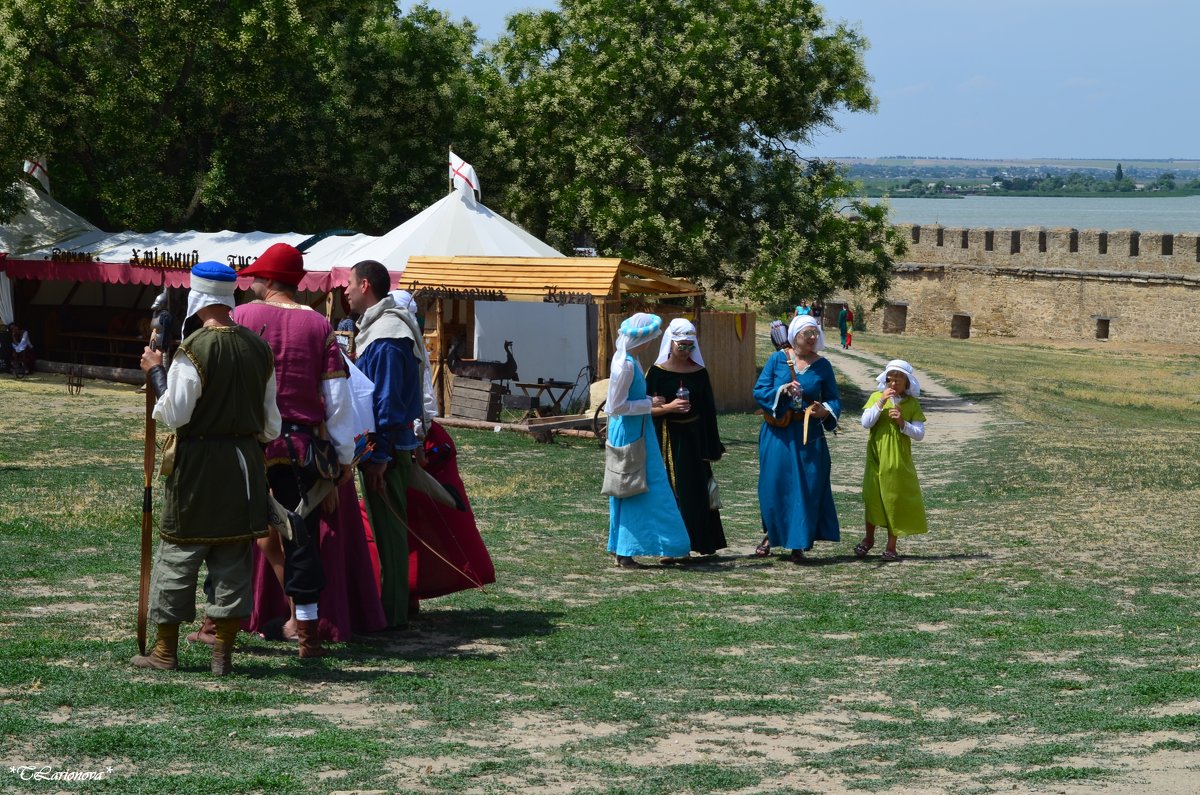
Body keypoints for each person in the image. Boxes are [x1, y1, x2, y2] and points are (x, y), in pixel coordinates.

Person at [232, 242, 384, 655]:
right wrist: (341, 458)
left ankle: (219, 623)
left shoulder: (239, 318)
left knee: (234, 533)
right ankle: (307, 634)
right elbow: (336, 400)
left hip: (247, 447)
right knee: (301, 540)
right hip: (301, 449)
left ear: (266, 280)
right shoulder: (318, 326)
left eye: (255, 278)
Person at [131, 261, 281, 676]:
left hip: (198, 466)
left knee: (179, 553)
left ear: (197, 299)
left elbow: (175, 414)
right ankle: (222, 655)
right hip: (245, 465)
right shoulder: (258, 347)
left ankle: (164, 652)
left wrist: (155, 371)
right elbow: (271, 425)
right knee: (233, 556)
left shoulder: (193, 349)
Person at [346, 260, 426, 628]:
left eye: (349, 284)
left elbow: (388, 401)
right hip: (383, 448)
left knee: (390, 533)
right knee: (384, 530)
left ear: (365, 285)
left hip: (388, 450)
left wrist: (380, 455)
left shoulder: (390, 334)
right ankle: (390, 608)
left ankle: (391, 614)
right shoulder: (380, 328)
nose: (344, 291)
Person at [606, 313, 691, 569]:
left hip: (638, 429)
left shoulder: (629, 360)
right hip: (630, 431)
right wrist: (648, 403)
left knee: (636, 485)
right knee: (634, 486)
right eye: (648, 339)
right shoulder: (626, 365)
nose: (650, 343)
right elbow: (616, 405)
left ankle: (624, 546)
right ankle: (629, 549)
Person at [754, 314, 841, 563]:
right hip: (778, 435)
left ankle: (798, 543)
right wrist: (781, 391)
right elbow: (759, 391)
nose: (813, 338)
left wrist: (825, 410)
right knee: (774, 485)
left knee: (806, 488)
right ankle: (772, 534)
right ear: (795, 336)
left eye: (815, 333)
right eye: (807, 334)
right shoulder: (777, 359)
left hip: (808, 436)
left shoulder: (823, 366)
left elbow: (833, 398)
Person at [645, 318, 726, 562]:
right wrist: (668, 408)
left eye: (690, 346)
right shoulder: (657, 373)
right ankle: (670, 546)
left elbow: (708, 411)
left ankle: (699, 541)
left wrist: (710, 444)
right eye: (682, 345)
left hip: (694, 439)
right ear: (670, 343)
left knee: (695, 491)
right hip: (667, 438)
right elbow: (645, 407)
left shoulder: (699, 373)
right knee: (670, 491)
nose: (686, 350)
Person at [855, 360, 928, 561]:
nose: (894, 384)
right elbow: (865, 422)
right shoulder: (876, 397)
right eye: (891, 379)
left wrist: (902, 423)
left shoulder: (912, 404)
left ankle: (891, 546)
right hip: (876, 456)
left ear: (907, 383)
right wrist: (880, 403)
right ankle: (868, 539)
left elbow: (920, 434)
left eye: (899, 380)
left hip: (897, 459)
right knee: (872, 497)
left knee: (892, 499)